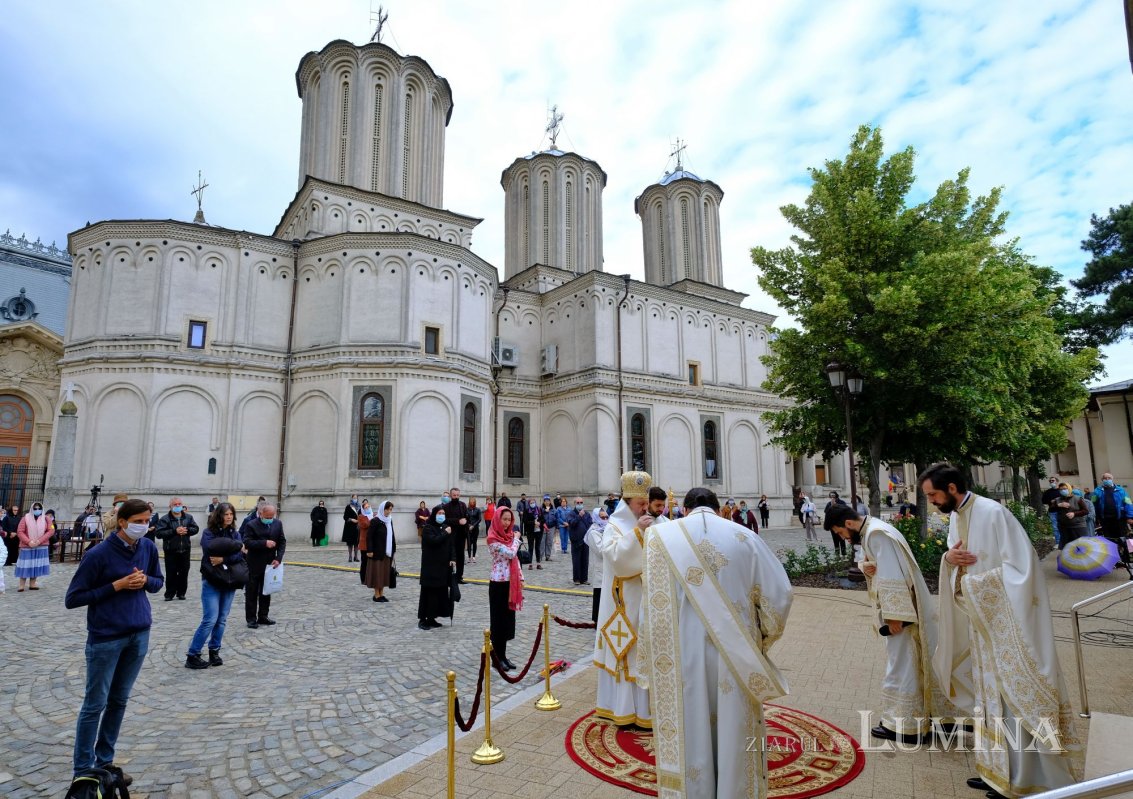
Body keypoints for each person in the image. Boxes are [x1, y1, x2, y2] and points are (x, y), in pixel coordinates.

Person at [924, 463, 1080, 799]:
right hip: (982, 627)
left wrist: (979, 589)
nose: (931, 502)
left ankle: (1025, 778)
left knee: (1012, 698)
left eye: (933, 494)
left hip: (1008, 626)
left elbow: (1023, 570)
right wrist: (948, 559)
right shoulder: (955, 517)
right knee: (988, 699)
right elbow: (955, 560)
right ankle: (996, 771)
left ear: (951, 488)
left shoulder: (994, 514)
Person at [641, 487, 792, 799]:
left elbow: (649, 612)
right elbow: (780, 597)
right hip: (736, 658)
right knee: (734, 730)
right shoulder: (745, 537)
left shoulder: (659, 540)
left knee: (690, 728)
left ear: (683, 510)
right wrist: (761, 639)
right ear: (721, 508)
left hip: (682, 659)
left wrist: (650, 662)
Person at [824, 504, 965, 742]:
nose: (843, 537)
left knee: (902, 664)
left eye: (840, 532)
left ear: (848, 524)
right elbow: (887, 568)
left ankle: (904, 725)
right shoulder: (876, 528)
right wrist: (868, 569)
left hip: (902, 616)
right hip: (909, 609)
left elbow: (892, 576)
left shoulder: (876, 534)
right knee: (913, 663)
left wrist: (894, 618)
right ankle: (935, 719)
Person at [65, 498, 163, 786]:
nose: (144, 526)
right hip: (106, 637)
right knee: (95, 704)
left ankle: (104, 760)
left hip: (139, 632)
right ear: (123, 522)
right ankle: (83, 769)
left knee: (119, 700)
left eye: (147, 521)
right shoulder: (98, 554)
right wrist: (115, 586)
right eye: (139, 521)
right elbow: (74, 598)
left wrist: (146, 581)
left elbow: (159, 582)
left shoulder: (147, 547)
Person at [590, 471, 654, 728]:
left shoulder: (648, 522)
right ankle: (621, 708)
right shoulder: (614, 527)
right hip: (622, 604)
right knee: (625, 653)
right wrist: (637, 533)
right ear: (628, 502)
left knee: (641, 654)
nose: (645, 508)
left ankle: (644, 710)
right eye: (640, 504)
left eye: (646, 503)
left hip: (643, 600)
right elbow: (616, 560)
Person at [185, 502, 246, 669]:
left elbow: (239, 556)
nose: (228, 517)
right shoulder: (208, 532)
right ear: (219, 515)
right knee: (210, 619)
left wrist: (225, 558)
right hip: (212, 580)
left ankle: (214, 650)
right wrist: (236, 547)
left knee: (222, 619)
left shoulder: (235, 533)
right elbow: (210, 550)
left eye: (231, 514)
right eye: (225, 514)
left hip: (230, 580)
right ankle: (193, 654)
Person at [486, 506, 522, 669]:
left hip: (510, 583)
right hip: (498, 583)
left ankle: (504, 656)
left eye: (509, 519)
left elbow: (515, 561)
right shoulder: (493, 538)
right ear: (497, 519)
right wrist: (516, 540)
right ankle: (496, 658)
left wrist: (521, 578)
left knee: (508, 620)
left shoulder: (508, 537)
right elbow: (510, 554)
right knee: (498, 621)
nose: (507, 523)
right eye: (504, 519)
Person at [242, 503, 286, 629]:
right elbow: (247, 542)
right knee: (252, 592)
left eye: (272, 516)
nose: (270, 518)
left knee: (266, 591)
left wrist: (278, 558)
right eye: (267, 516)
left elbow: (282, 542)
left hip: (270, 564)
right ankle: (251, 618)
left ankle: (263, 616)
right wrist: (264, 543)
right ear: (260, 514)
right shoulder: (251, 525)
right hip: (254, 563)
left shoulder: (278, 524)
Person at [418, 505, 455, 630]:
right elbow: (434, 541)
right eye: (439, 513)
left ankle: (432, 617)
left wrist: (453, 559)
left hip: (443, 567)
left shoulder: (445, 527)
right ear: (434, 514)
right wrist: (445, 533)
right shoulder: (428, 528)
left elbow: (451, 545)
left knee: (439, 593)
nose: (441, 515)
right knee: (429, 593)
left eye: (443, 513)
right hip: (431, 567)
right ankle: (423, 619)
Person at [155, 497, 200, 601]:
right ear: (170, 506)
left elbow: (195, 529)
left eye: (179, 504)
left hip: (185, 549)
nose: (177, 506)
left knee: (184, 572)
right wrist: (174, 531)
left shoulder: (188, 517)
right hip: (170, 550)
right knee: (171, 573)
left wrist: (187, 530)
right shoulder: (165, 519)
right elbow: (158, 533)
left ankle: (181, 593)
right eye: (175, 504)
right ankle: (169, 593)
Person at [363, 500, 396, 602]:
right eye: (387, 509)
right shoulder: (375, 520)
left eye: (390, 509)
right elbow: (369, 537)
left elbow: (392, 535)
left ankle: (381, 594)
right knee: (377, 574)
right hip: (377, 552)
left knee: (384, 574)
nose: (389, 511)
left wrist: (393, 549)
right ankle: (376, 594)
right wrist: (370, 550)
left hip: (387, 552)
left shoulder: (389, 520)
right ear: (383, 509)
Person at [15, 501, 52, 591]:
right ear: (32, 509)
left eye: (39, 508)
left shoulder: (47, 519)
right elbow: (20, 531)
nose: (37, 510)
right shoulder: (25, 518)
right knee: (25, 565)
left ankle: (32, 583)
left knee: (36, 564)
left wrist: (39, 541)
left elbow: (51, 531)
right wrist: (28, 542)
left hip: (41, 545)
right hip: (27, 546)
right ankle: (21, 585)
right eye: (35, 508)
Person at [1048, 483, 1089, 547]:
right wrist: (1058, 505)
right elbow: (1050, 510)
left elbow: (1086, 511)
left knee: (1081, 546)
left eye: (1064, 489)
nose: (1063, 491)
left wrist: (1074, 514)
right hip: (1064, 527)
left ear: (1069, 489)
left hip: (1078, 526)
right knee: (1068, 547)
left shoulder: (1078, 499)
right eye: (1061, 489)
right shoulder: (1057, 500)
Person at [443, 488, 470, 583]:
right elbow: (445, 520)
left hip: (461, 535)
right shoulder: (446, 507)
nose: (456, 497)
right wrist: (457, 521)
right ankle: (448, 575)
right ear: (451, 496)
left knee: (460, 556)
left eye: (458, 495)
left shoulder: (462, 505)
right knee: (450, 555)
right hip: (451, 535)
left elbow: (466, 517)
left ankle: (459, 576)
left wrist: (467, 522)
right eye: (454, 495)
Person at [566, 497, 592, 585]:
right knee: (576, 561)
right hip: (576, 540)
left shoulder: (587, 514)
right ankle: (576, 579)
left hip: (585, 541)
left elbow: (590, 524)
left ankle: (584, 579)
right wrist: (579, 516)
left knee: (585, 560)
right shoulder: (571, 513)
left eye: (581, 502)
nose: (580, 504)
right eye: (578, 502)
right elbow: (572, 523)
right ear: (575, 504)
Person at [1041, 477, 1063, 546]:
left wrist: (1057, 500)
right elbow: (1043, 501)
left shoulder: (1061, 490)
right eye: (1050, 481)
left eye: (1053, 480)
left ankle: (1065, 541)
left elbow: (1066, 499)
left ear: (1057, 481)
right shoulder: (1047, 492)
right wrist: (1050, 501)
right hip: (1052, 511)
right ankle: (1058, 542)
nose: (1051, 482)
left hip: (1062, 511)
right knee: (1055, 527)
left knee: (1063, 526)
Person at [465, 498, 482, 563]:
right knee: (469, 542)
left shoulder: (478, 510)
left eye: (473, 502)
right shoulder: (466, 510)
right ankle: (469, 557)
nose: (472, 503)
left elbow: (479, 519)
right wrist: (469, 525)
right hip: (468, 528)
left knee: (474, 542)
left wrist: (473, 525)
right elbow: (465, 518)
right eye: (471, 502)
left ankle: (474, 556)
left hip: (475, 528)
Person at [540, 496, 556, 562]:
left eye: (548, 501)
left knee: (549, 542)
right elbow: (539, 517)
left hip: (551, 527)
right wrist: (544, 511)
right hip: (543, 527)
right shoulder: (540, 509)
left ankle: (548, 556)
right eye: (545, 501)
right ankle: (540, 556)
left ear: (550, 502)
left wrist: (557, 527)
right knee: (542, 542)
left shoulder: (553, 509)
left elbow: (556, 518)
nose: (547, 502)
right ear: (544, 502)